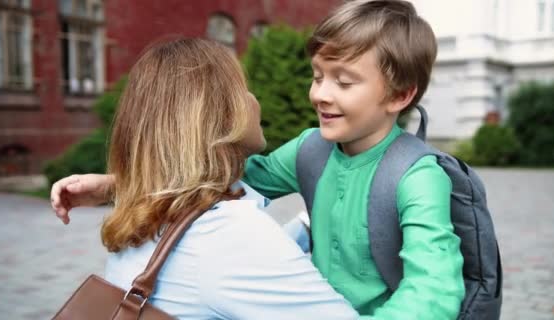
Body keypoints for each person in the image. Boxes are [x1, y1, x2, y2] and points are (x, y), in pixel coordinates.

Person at [52, 1, 465, 319]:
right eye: (318, 76)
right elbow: (214, 174)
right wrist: (119, 183)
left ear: (399, 96)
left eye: (343, 81)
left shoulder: (418, 176)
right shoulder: (311, 148)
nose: (319, 94)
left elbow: (435, 291)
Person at [53, 37, 358, 320]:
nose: (253, 99)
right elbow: (232, 260)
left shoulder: (145, 211)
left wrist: (117, 184)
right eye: (242, 89)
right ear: (222, 115)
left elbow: (220, 271)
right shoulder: (231, 236)